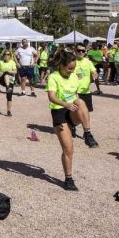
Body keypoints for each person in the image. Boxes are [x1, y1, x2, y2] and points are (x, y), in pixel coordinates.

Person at [47, 49, 99, 191]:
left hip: (72, 110)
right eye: (70, 68)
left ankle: (87, 134)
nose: (72, 71)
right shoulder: (53, 76)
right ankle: (68, 179)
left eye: (74, 68)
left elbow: (75, 95)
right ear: (61, 65)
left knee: (81, 102)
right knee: (68, 149)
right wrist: (66, 105)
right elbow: (51, 97)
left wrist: (75, 106)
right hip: (59, 112)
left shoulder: (74, 76)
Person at [73, 45, 98, 133]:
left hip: (86, 91)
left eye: (83, 51)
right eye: (79, 50)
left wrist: (95, 75)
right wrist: (74, 76)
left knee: (86, 113)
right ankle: (74, 126)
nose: (81, 52)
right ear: (75, 51)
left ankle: (86, 131)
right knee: (76, 112)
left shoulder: (88, 62)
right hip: (74, 92)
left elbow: (94, 71)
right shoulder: (71, 61)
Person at [0, 50, 17, 116]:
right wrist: (3, 72)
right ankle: (7, 87)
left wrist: (8, 71)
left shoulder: (12, 62)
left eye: (8, 54)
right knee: (5, 75)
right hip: (2, 79)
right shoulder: (0, 62)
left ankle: (9, 111)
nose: (6, 56)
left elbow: (15, 72)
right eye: (5, 54)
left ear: (10, 56)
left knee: (9, 96)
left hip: (11, 80)